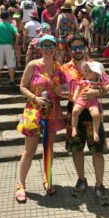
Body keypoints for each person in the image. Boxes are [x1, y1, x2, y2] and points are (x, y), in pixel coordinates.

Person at [61, 35, 109, 202]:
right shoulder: (64, 69)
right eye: (74, 48)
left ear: (85, 47)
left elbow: (107, 85)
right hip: (74, 111)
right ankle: (81, 180)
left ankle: (99, 184)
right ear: (69, 49)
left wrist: (97, 92)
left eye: (80, 46)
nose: (77, 50)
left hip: (93, 113)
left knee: (97, 150)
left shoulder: (95, 66)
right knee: (76, 149)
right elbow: (59, 88)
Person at [16, 35, 65, 203]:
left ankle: (47, 178)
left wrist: (62, 90)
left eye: (51, 45)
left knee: (49, 148)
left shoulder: (59, 68)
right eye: (45, 46)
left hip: (52, 111)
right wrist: (35, 98)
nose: (48, 49)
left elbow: (66, 86)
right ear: (40, 48)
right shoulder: (33, 65)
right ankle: (21, 184)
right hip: (34, 111)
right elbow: (22, 86)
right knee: (29, 150)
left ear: (55, 47)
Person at [72, 61, 109, 142]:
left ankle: (95, 132)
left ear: (96, 74)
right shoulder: (82, 81)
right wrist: (75, 97)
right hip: (81, 99)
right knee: (75, 111)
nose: (87, 73)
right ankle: (74, 128)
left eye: (90, 71)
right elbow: (77, 89)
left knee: (96, 115)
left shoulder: (98, 83)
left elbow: (107, 89)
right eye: (86, 71)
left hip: (93, 102)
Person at [0, 11, 19, 88]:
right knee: (11, 63)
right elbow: (17, 35)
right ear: (8, 17)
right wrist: (15, 44)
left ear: (1, 17)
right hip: (9, 45)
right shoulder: (11, 26)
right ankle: (12, 80)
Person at [55, 0, 79, 64]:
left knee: (61, 55)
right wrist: (75, 37)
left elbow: (57, 28)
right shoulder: (73, 17)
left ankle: (60, 70)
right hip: (71, 39)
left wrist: (56, 38)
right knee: (72, 55)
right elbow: (77, 28)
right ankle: (73, 69)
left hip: (61, 39)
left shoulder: (61, 15)